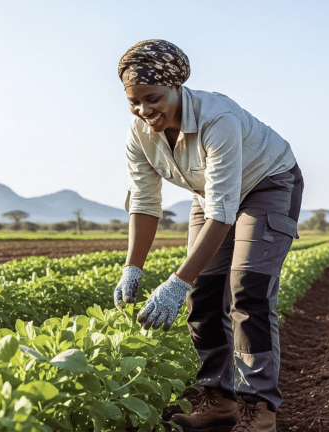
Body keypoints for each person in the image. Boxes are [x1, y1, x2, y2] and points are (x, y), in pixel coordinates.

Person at [113, 39, 303, 432]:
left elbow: (223, 211)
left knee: (247, 287)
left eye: (153, 98)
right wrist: (133, 267)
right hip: (210, 193)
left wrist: (174, 282)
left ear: (176, 87)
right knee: (203, 293)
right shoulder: (139, 134)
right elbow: (146, 203)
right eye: (134, 101)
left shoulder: (218, 119)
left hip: (267, 183)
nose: (144, 110)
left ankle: (258, 409)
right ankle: (219, 402)